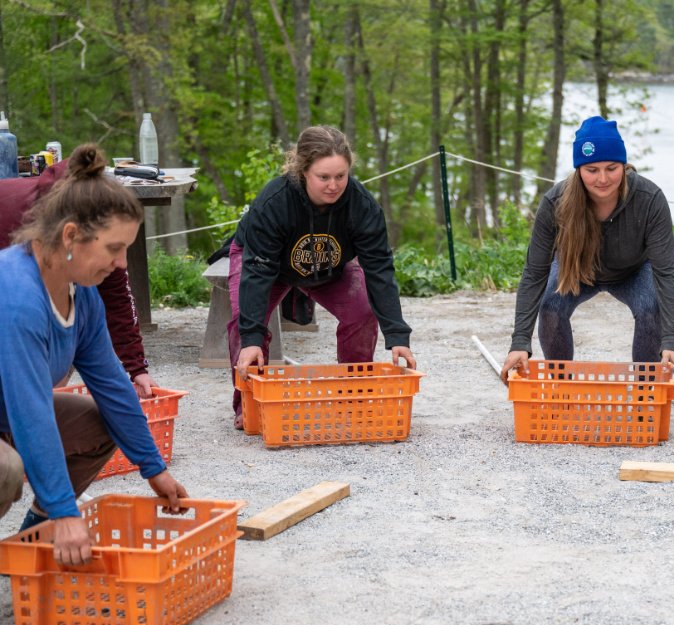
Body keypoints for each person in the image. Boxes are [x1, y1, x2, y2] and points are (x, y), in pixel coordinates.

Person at [0, 144, 187, 565]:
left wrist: (152, 468)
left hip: (5, 414)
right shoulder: (16, 295)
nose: (122, 264)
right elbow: (31, 414)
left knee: (103, 425)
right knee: (5, 470)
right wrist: (69, 512)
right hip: (12, 415)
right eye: (114, 249)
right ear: (70, 236)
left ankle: (34, 540)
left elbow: (113, 386)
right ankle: (58, 525)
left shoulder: (81, 296)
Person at [229, 125, 415, 426]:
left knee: (362, 310)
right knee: (244, 322)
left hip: (331, 265)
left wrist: (397, 335)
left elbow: (379, 269)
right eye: (324, 177)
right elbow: (258, 271)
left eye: (340, 176)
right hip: (266, 265)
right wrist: (251, 337)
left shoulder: (362, 206)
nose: (333, 185)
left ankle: (354, 393)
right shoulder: (274, 202)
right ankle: (248, 405)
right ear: (303, 171)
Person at [500, 116, 674, 387]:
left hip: (633, 271)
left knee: (651, 307)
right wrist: (520, 342)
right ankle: (562, 389)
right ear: (578, 169)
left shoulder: (650, 199)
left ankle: (645, 393)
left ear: (624, 166)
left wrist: (672, 340)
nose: (602, 179)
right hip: (576, 270)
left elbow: (667, 273)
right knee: (551, 306)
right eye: (592, 170)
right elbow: (535, 273)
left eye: (611, 168)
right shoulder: (555, 202)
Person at [0, 160, 158, 397]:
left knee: (65, 334)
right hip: (9, 245)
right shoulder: (26, 222)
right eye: (116, 248)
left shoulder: (101, 226)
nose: (121, 261)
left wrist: (136, 367)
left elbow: (118, 298)